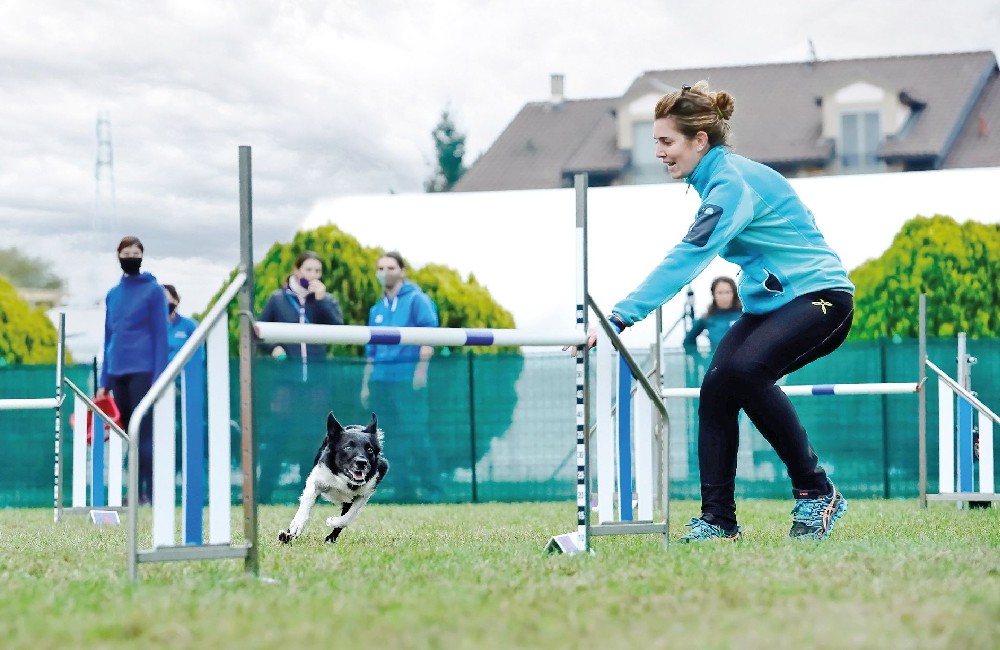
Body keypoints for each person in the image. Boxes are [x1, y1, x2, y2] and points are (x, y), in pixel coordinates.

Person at [586, 81, 855, 542]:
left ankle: (817, 492)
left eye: (667, 142)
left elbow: (688, 257)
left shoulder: (731, 181)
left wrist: (620, 316)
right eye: (656, 143)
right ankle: (718, 521)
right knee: (716, 389)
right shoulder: (717, 179)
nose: (659, 153)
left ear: (699, 140)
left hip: (821, 297)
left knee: (746, 372)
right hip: (772, 304)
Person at [256, 251, 344, 503]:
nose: (313, 275)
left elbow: (339, 330)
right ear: (297, 270)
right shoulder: (278, 299)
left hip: (316, 381)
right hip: (286, 382)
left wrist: (323, 301)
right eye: (309, 270)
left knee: (313, 437)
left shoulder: (325, 300)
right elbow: (260, 333)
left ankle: (306, 491)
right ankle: (263, 494)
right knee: (277, 436)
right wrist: (273, 348)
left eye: (318, 271)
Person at [360, 251, 442, 501]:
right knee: (388, 438)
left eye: (391, 267)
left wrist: (421, 371)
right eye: (381, 268)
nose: (385, 272)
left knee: (416, 433)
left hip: (407, 379)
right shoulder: (376, 309)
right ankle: (403, 490)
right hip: (381, 381)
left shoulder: (418, 300)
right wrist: (365, 384)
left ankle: (434, 489)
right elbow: (371, 351)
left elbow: (430, 335)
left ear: (402, 271)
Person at [95, 236, 169, 504]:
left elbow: (162, 335)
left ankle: (148, 493)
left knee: (143, 433)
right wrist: (104, 379)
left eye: (136, 251)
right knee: (127, 435)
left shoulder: (153, 291)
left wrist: (160, 377)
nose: (131, 255)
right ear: (118, 256)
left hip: (144, 371)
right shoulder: (113, 294)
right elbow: (108, 336)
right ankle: (133, 493)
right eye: (126, 252)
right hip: (117, 371)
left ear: (142, 256)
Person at [682, 276, 742, 359]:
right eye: (720, 293)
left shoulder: (745, 315)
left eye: (727, 292)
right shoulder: (707, 318)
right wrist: (699, 360)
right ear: (713, 294)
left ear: (734, 294)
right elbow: (688, 341)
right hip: (717, 368)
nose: (724, 296)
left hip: (744, 366)